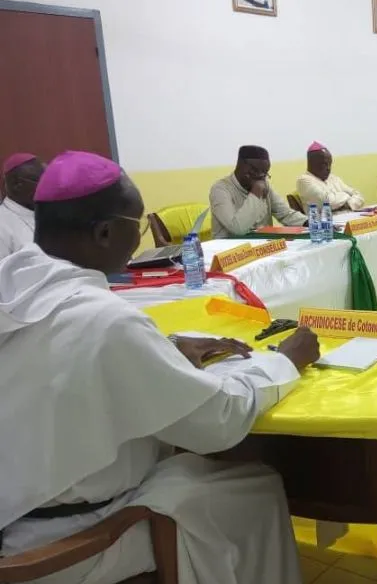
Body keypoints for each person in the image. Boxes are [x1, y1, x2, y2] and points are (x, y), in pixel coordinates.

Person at [0, 150, 320, 584]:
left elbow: (53, 359)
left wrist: (161, 348)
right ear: (105, 232)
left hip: (16, 518)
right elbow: (217, 422)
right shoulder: (107, 321)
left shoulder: (14, 284)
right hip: (72, 542)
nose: (139, 243)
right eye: (136, 227)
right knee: (255, 484)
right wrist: (285, 362)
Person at [210, 145, 306, 238]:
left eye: (265, 173)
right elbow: (237, 228)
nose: (262, 178)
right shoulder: (220, 190)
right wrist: (255, 194)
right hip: (230, 251)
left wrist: (308, 222)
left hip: (262, 248)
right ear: (243, 167)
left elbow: (285, 214)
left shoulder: (263, 184)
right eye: (258, 172)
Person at [297, 142, 365, 213]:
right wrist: (347, 196)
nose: (328, 168)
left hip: (346, 218)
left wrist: (347, 203)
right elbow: (327, 202)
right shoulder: (304, 180)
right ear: (312, 164)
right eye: (324, 164)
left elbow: (359, 196)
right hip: (324, 223)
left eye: (330, 164)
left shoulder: (333, 178)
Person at [0, 153, 44, 260]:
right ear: (16, 184)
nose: (47, 186)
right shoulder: (2, 225)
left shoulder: (50, 211)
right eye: (41, 181)